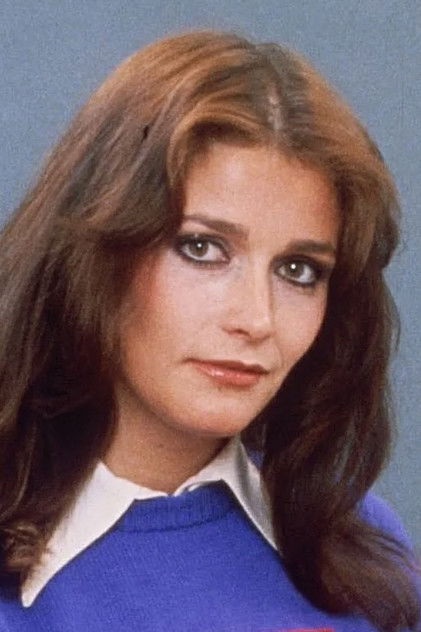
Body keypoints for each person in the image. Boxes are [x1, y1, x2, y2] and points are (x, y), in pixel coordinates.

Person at [0, 29, 419, 632]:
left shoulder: (365, 555)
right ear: (95, 254)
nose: (256, 319)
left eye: (298, 270)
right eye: (201, 249)